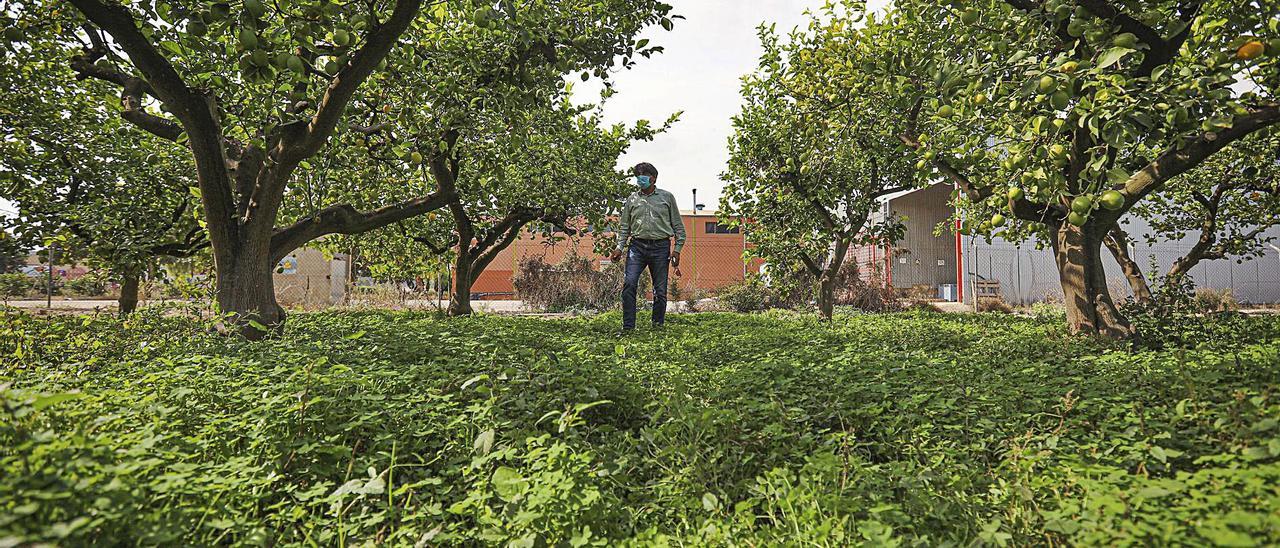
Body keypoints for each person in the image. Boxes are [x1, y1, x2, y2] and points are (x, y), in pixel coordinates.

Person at [610, 162, 686, 333]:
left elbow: (679, 227)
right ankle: (628, 327)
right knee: (629, 284)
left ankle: (657, 326)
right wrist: (619, 248)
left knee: (660, 290)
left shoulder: (667, 197)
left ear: (653, 178)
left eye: (644, 176)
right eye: (638, 176)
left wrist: (677, 249)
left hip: (661, 247)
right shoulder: (632, 200)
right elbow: (624, 228)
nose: (640, 179)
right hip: (637, 247)